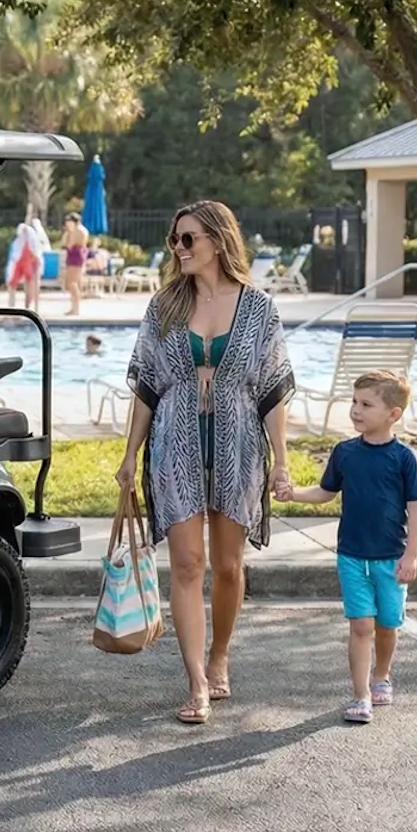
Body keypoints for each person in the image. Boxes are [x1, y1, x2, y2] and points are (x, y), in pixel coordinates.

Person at [114, 199, 294, 725]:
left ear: (218, 240)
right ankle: (195, 681)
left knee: (228, 566)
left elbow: (272, 390)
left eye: (188, 238)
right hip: (174, 444)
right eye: (174, 239)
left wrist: (281, 460)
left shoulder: (259, 308)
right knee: (188, 564)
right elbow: (147, 387)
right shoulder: (164, 306)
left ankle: (220, 655)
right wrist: (129, 456)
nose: (179, 248)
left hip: (240, 446)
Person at [274, 369, 417, 723]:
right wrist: (293, 494)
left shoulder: (405, 459)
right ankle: (361, 696)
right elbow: (326, 492)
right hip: (352, 557)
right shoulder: (345, 452)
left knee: (387, 625)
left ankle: (381, 675)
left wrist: (411, 556)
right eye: (354, 402)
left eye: (366, 404)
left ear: (393, 414)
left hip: (391, 559)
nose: (356, 410)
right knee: (360, 627)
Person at [5, 207, 43, 310]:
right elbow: (21, 231)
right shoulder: (22, 230)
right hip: (20, 259)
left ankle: (29, 307)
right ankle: (11, 306)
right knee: (12, 284)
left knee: (31, 283)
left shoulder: (37, 228)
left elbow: (38, 244)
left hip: (31, 259)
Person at [62, 213, 89, 316]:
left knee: (72, 282)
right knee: (76, 282)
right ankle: (75, 307)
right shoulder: (83, 230)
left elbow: (68, 244)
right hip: (79, 256)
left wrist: (68, 233)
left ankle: (75, 308)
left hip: (75, 256)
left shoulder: (76, 231)